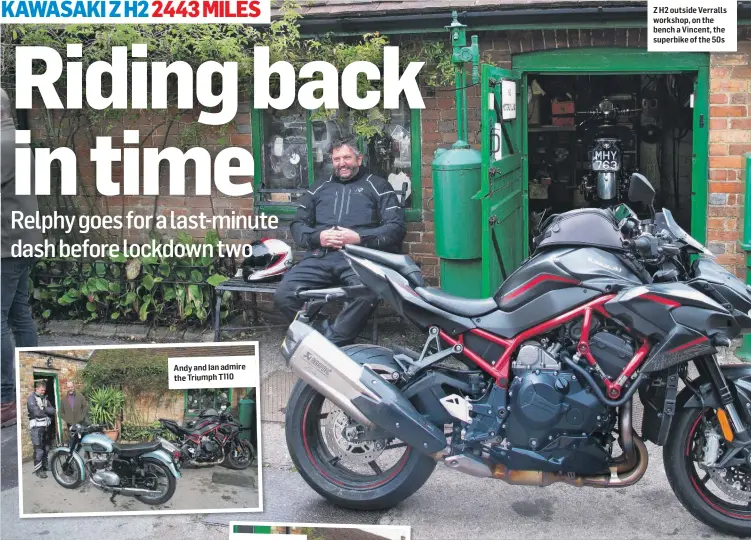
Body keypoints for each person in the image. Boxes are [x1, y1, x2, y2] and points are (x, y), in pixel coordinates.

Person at [274, 136, 405, 345]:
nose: (342, 163)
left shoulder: (378, 185)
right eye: (336, 159)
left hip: (359, 258)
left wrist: (359, 238)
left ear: (359, 159)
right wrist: (319, 237)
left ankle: (334, 344)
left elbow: (396, 228)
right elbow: (298, 225)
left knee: (368, 291)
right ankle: (320, 333)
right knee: (284, 294)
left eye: (347, 157)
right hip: (320, 257)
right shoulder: (318, 187)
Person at [1, 89, 42, 428]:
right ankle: (26, 390)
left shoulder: (2, 144)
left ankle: (6, 399)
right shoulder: (20, 139)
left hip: (6, 244)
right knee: (19, 314)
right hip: (24, 239)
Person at [27, 380, 55, 478]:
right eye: (42, 390)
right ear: (37, 389)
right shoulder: (31, 398)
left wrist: (44, 409)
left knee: (46, 448)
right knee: (39, 450)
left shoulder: (45, 399)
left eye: (44, 390)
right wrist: (45, 410)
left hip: (46, 428)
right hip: (36, 429)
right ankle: (39, 470)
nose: (43, 392)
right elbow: (37, 412)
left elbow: (53, 411)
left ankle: (45, 465)